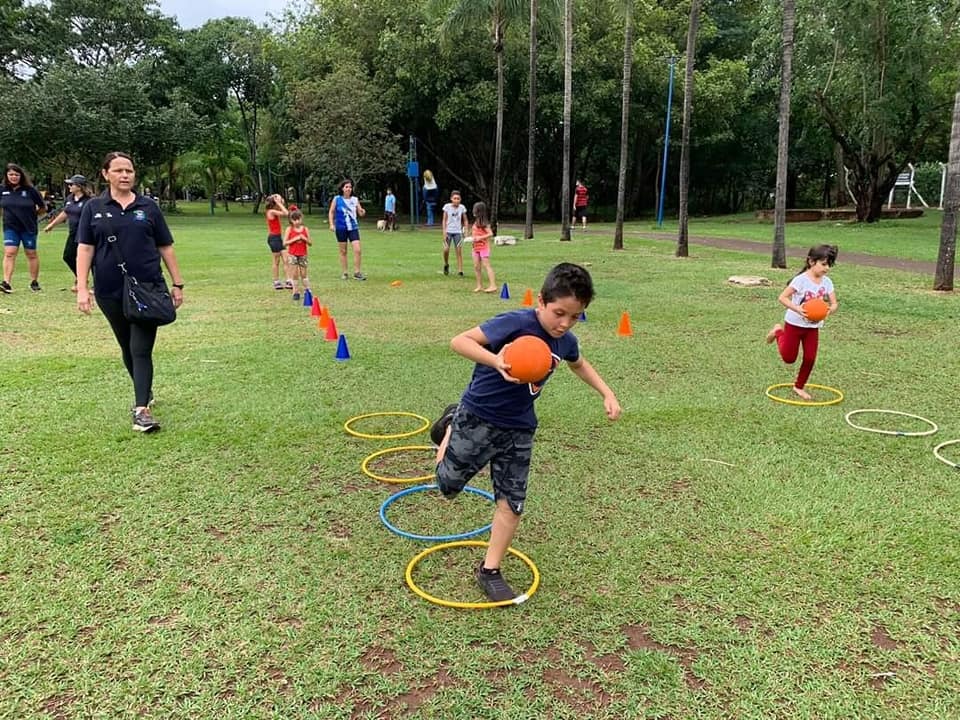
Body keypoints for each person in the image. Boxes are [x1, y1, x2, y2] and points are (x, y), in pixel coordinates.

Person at [430, 262, 621, 601]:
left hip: (519, 428)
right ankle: (450, 424)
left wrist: (607, 393)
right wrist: (496, 360)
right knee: (447, 486)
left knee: (512, 502)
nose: (565, 323)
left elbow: (579, 363)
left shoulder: (565, 341)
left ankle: (490, 570)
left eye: (575, 317)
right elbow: (459, 341)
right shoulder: (516, 323)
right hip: (478, 416)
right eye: (559, 313)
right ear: (542, 301)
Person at [76, 151, 185, 433]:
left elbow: (165, 246)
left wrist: (177, 283)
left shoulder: (148, 207)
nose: (125, 175)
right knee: (126, 345)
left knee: (141, 349)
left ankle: (141, 410)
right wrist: (82, 288)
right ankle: (144, 390)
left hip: (148, 287)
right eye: (118, 170)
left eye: (129, 170)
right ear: (105, 174)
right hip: (109, 290)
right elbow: (85, 248)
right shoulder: (93, 207)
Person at [765, 244, 839, 401]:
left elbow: (834, 304)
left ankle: (799, 386)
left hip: (813, 327)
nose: (827, 268)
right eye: (823, 264)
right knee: (789, 358)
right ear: (811, 262)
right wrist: (797, 309)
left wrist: (828, 310)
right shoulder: (800, 280)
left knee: (810, 358)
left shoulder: (827, 282)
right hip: (794, 324)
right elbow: (782, 297)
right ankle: (778, 332)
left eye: (829, 265)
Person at [1, 162, 46, 293]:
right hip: (10, 227)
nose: (13, 177)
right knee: (9, 252)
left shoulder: (30, 190)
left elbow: (42, 207)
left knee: (31, 253)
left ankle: (34, 281)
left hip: (28, 227)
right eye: (11, 174)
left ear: (21, 176)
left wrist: (32, 215)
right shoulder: (2, 190)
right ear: (6, 175)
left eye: (16, 174)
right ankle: (6, 282)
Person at [44, 174, 92, 292]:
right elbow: (66, 212)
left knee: (91, 259)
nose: (69, 186)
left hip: (86, 233)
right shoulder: (70, 198)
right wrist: (52, 225)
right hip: (73, 233)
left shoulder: (90, 201)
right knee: (68, 256)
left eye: (71, 184)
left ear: (79, 186)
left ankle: (95, 284)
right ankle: (81, 279)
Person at [328, 178, 367, 281]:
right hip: (341, 228)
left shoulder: (355, 199)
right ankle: (345, 272)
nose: (349, 189)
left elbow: (360, 212)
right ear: (342, 188)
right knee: (343, 251)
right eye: (346, 187)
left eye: (350, 187)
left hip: (353, 228)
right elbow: (331, 212)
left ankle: (357, 272)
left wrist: (362, 211)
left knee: (358, 250)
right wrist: (331, 224)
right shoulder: (337, 199)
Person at [283, 208, 312, 301]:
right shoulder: (289, 229)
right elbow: (285, 243)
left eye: (298, 219)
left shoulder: (305, 229)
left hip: (303, 254)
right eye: (294, 220)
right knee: (295, 274)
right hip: (293, 254)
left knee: (304, 274)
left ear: (301, 218)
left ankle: (307, 290)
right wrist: (295, 239)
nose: (297, 221)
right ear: (291, 220)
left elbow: (310, 243)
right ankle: (295, 292)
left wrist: (304, 238)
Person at [469, 201, 497, 293]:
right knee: (476, 267)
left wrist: (480, 238)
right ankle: (479, 286)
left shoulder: (484, 223)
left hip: (483, 248)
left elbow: (490, 234)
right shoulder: (476, 222)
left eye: (475, 210)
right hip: (475, 248)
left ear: (479, 211)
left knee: (486, 266)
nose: (473, 211)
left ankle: (493, 285)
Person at [265, 193, 291, 290]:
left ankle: (288, 281)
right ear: (275, 202)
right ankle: (276, 281)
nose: (282, 200)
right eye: (280, 199)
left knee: (286, 259)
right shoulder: (271, 211)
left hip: (278, 238)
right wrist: (278, 202)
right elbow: (286, 213)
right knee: (276, 260)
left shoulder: (274, 210)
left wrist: (279, 202)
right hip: (273, 238)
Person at [441, 190, 467, 276]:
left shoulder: (462, 208)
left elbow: (465, 220)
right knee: (446, 249)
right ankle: (446, 264)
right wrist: (444, 232)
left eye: (458, 199)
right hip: (448, 231)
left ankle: (460, 271)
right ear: (451, 199)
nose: (456, 200)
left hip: (457, 232)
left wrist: (465, 231)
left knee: (459, 250)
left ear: (460, 199)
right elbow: (444, 220)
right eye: (455, 198)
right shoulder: (447, 207)